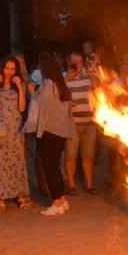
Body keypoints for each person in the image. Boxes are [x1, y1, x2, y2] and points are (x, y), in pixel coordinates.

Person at [0, 56, 31, 213]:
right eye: (7, 68)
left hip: (15, 129)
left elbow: (23, 108)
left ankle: (19, 195)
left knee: (16, 163)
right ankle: (0, 198)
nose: (10, 72)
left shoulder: (19, 85)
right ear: (2, 68)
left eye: (13, 69)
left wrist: (19, 88)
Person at [34, 53, 74, 216]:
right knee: (55, 166)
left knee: (50, 167)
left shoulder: (47, 85)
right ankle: (62, 200)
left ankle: (57, 202)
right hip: (61, 131)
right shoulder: (61, 84)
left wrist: (33, 93)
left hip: (49, 131)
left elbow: (42, 107)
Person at [64, 52, 97, 195]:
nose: (77, 65)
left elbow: (99, 89)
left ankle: (89, 185)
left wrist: (94, 74)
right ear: (68, 63)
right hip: (72, 123)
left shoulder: (88, 76)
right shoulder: (64, 78)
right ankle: (71, 185)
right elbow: (58, 96)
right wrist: (66, 79)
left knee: (88, 155)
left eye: (79, 62)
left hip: (89, 122)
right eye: (74, 62)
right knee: (71, 155)